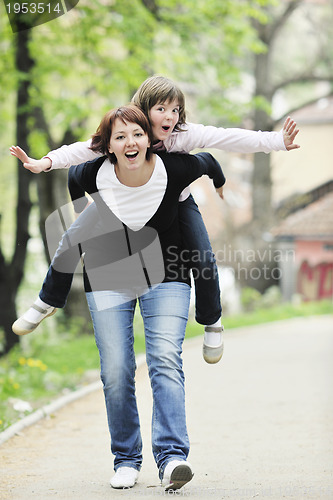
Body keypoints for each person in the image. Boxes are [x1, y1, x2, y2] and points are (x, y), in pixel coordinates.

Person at [11, 75, 300, 365]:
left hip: (177, 200)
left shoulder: (183, 135)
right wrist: (45, 163)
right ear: (145, 108)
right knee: (71, 238)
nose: (170, 117)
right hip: (121, 198)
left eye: (175, 110)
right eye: (162, 108)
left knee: (202, 255)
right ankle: (47, 301)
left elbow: (225, 138)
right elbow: (81, 155)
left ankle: (212, 321)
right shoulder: (126, 131)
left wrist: (277, 141)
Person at [42, 104, 225, 490]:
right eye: (120, 137)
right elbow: (73, 176)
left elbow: (208, 158)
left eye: (138, 134)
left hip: (168, 271)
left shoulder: (170, 167)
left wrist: (229, 172)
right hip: (110, 271)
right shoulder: (94, 170)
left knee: (163, 358)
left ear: (150, 140)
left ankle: (173, 457)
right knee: (116, 370)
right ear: (106, 147)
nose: (131, 142)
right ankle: (126, 457)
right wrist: (88, 212)